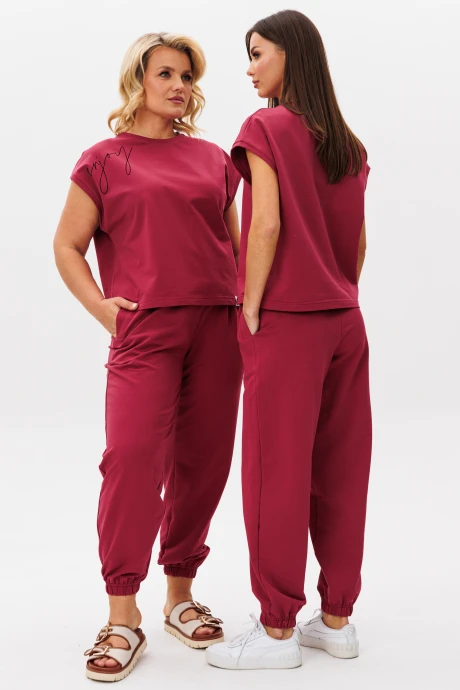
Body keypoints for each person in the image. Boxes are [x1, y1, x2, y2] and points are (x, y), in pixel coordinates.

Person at [53, 32, 243, 682]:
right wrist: (104, 309)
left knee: (205, 460)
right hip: (144, 329)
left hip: (217, 324)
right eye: (165, 73)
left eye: (186, 76)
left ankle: (180, 595)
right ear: (137, 80)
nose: (179, 86)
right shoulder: (103, 160)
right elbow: (67, 245)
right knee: (132, 459)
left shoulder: (213, 159)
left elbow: (235, 245)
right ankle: (122, 614)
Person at [206, 10, 372, 671]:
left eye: (258, 53)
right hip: (346, 319)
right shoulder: (348, 144)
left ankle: (276, 631)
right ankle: (336, 621)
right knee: (340, 471)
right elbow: (358, 244)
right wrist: (339, 292)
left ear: (291, 55)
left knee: (275, 472)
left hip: (287, 321)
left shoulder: (265, 128)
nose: (249, 69)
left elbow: (265, 226)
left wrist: (250, 305)